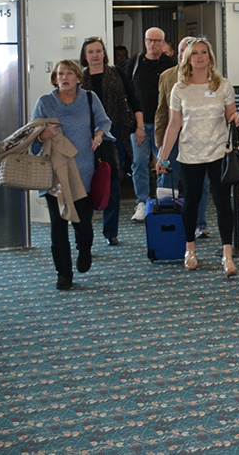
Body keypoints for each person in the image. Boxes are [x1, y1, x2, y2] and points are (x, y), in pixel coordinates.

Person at [156, 37, 239, 276]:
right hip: (190, 154)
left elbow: (230, 113)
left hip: (217, 151)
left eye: (204, 52)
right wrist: (162, 157)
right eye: (195, 54)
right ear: (188, 59)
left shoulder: (222, 85)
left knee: (223, 201)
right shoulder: (179, 88)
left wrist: (235, 118)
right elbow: (173, 125)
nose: (200, 57)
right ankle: (190, 250)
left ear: (210, 57)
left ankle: (227, 254)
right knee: (191, 202)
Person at [31, 60, 114, 290]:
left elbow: (104, 121)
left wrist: (98, 135)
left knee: (83, 224)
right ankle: (63, 274)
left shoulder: (89, 98)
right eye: (60, 74)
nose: (64, 77)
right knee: (58, 225)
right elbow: (32, 138)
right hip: (54, 174)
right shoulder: (45, 102)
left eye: (69, 73)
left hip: (84, 172)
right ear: (55, 79)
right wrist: (42, 135)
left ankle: (84, 249)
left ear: (78, 77)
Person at [80, 36, 144, 245]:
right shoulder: (80, 79)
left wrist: (140, 126)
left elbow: (133, 100)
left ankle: (111, 232)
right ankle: (85, 231)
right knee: (86, 183)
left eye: (98, 51)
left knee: (112, 182)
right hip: (86, 136)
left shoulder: (117, 73)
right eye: (91, 52)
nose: (95, 55)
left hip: (115, 134)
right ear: (85, 56)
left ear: (104, 54)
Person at [155, 36, 211, 239]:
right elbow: (161, 111)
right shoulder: (167, 76)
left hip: (199, 140)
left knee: (200, 183)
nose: (183, 54)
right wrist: (160, 142)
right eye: (181, 50)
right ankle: (167, 219)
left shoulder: (210, 78)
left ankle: (199, 223)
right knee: (167, 179)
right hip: (172, 139)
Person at [125, 27, 178, 222]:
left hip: (163, 125)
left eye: (157, 41)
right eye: (150, 40)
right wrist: (135, 124)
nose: (153, 44)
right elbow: (128, 94)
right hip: (139, 124)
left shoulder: (171, 66)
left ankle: (162, 201)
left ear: (163, 43)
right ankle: (142, 201)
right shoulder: (135, 62)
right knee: (138, 163)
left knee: (163, 163)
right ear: (145, 41)